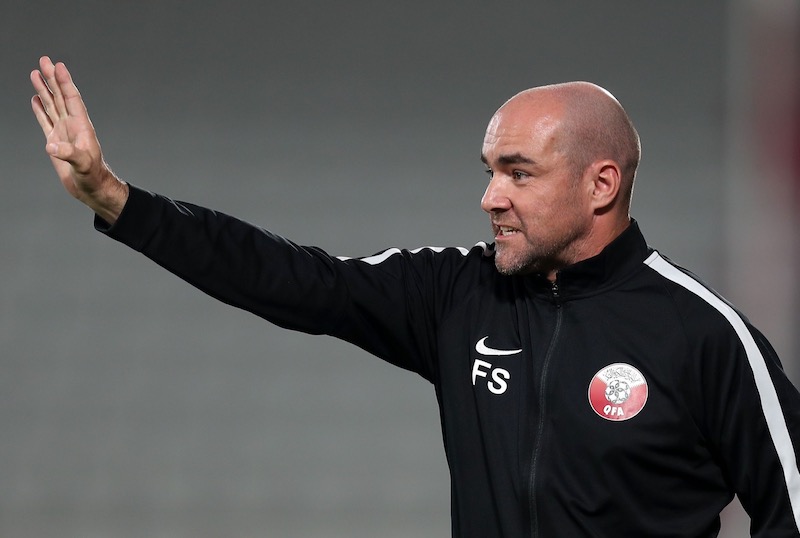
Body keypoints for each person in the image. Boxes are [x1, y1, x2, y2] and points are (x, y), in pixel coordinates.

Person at [30, 55, 800, 537]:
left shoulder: (704, 335)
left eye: (518, 172)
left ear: (601, 184)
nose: (490, 196)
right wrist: (115, 199)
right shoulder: (457, 293)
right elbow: (294, 279)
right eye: (488, 169)